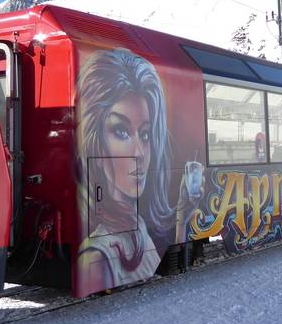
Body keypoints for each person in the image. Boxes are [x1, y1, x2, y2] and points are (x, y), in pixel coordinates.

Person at [75, 48, 201, 295]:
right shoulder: (96, 256)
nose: (140, 153)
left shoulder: (138, 226)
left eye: (145, 134)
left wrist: (182, 220)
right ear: (94, 140)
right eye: (121, 131)